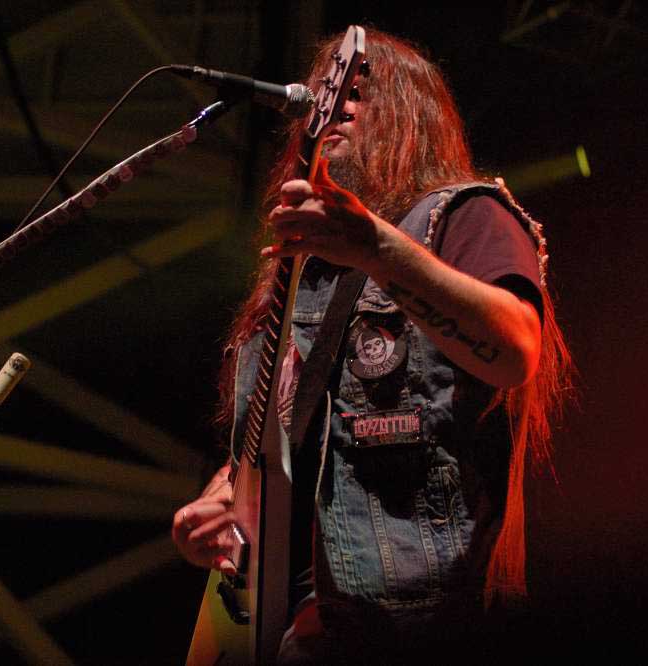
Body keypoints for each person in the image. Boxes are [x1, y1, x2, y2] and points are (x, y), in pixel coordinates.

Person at [172, 28, 572, 663]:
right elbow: (289, 436)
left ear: (411, 113)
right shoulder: (300, 275)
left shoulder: (464, 215)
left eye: (359, 92)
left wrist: (377, 247)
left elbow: (514, 350)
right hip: (279, 627)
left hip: (404, 621)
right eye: (326, 95)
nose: (334, 107)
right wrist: (226, 499)